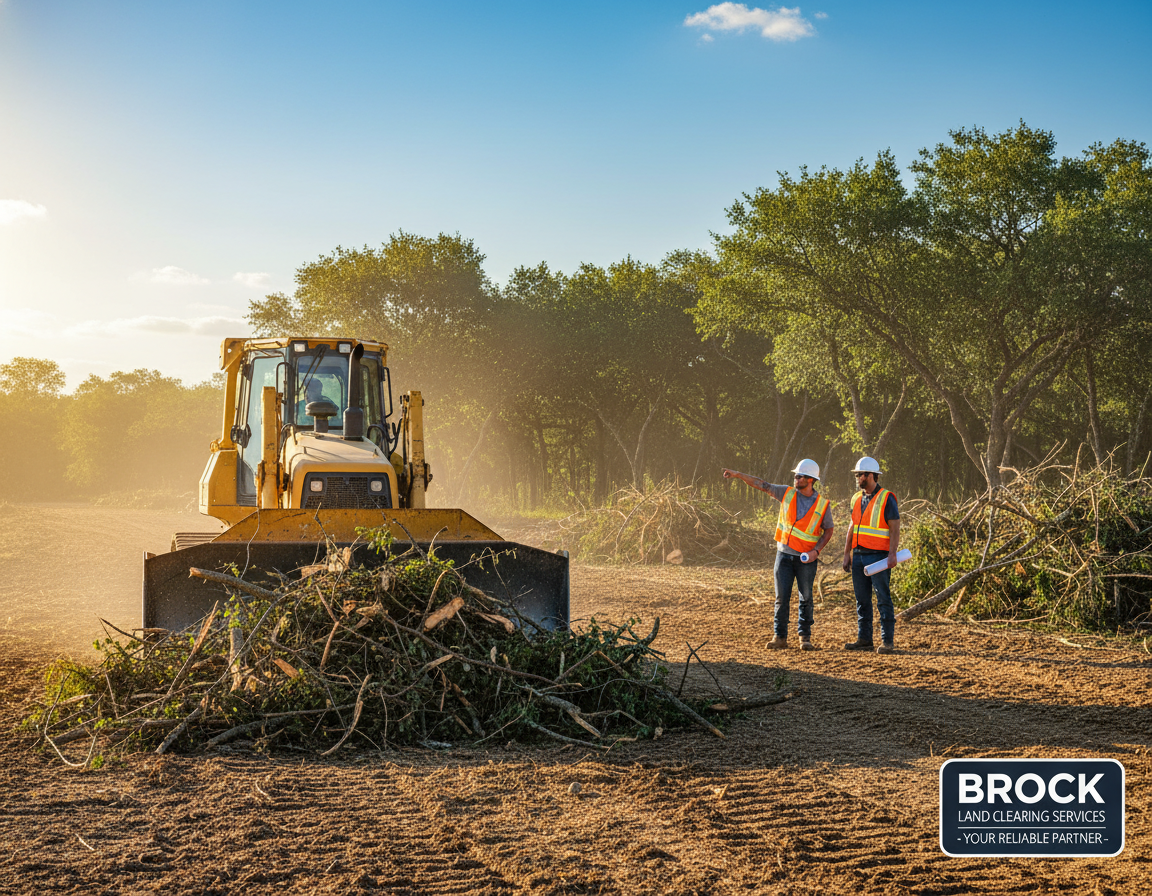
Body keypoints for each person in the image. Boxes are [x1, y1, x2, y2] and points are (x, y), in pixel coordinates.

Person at [723, 460, 834, 651]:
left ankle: (804, 638)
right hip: (784, 556)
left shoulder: (822, 505)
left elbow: (829, 530)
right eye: (795, 475)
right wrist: (739, 475)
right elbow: (762, 484)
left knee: (806, 598)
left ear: (810, 480)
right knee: (781, 598)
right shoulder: (786, 492)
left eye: (799, 476)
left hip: (806, 560)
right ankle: (779, 637)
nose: (795, 478)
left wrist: (816, 551)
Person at [841, 456, 900, 655]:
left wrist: (892, 554)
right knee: (862, 600)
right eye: (857, 475)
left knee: (883, 598)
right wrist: (846, 553)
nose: (858, 478)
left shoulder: (887, 497)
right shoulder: (856, 498)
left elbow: (894, 528)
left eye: (861, 474)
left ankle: (887, 641)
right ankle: (864, 639)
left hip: (878, 557)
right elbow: (852, 526)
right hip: (858, 556)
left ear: (872, 475)